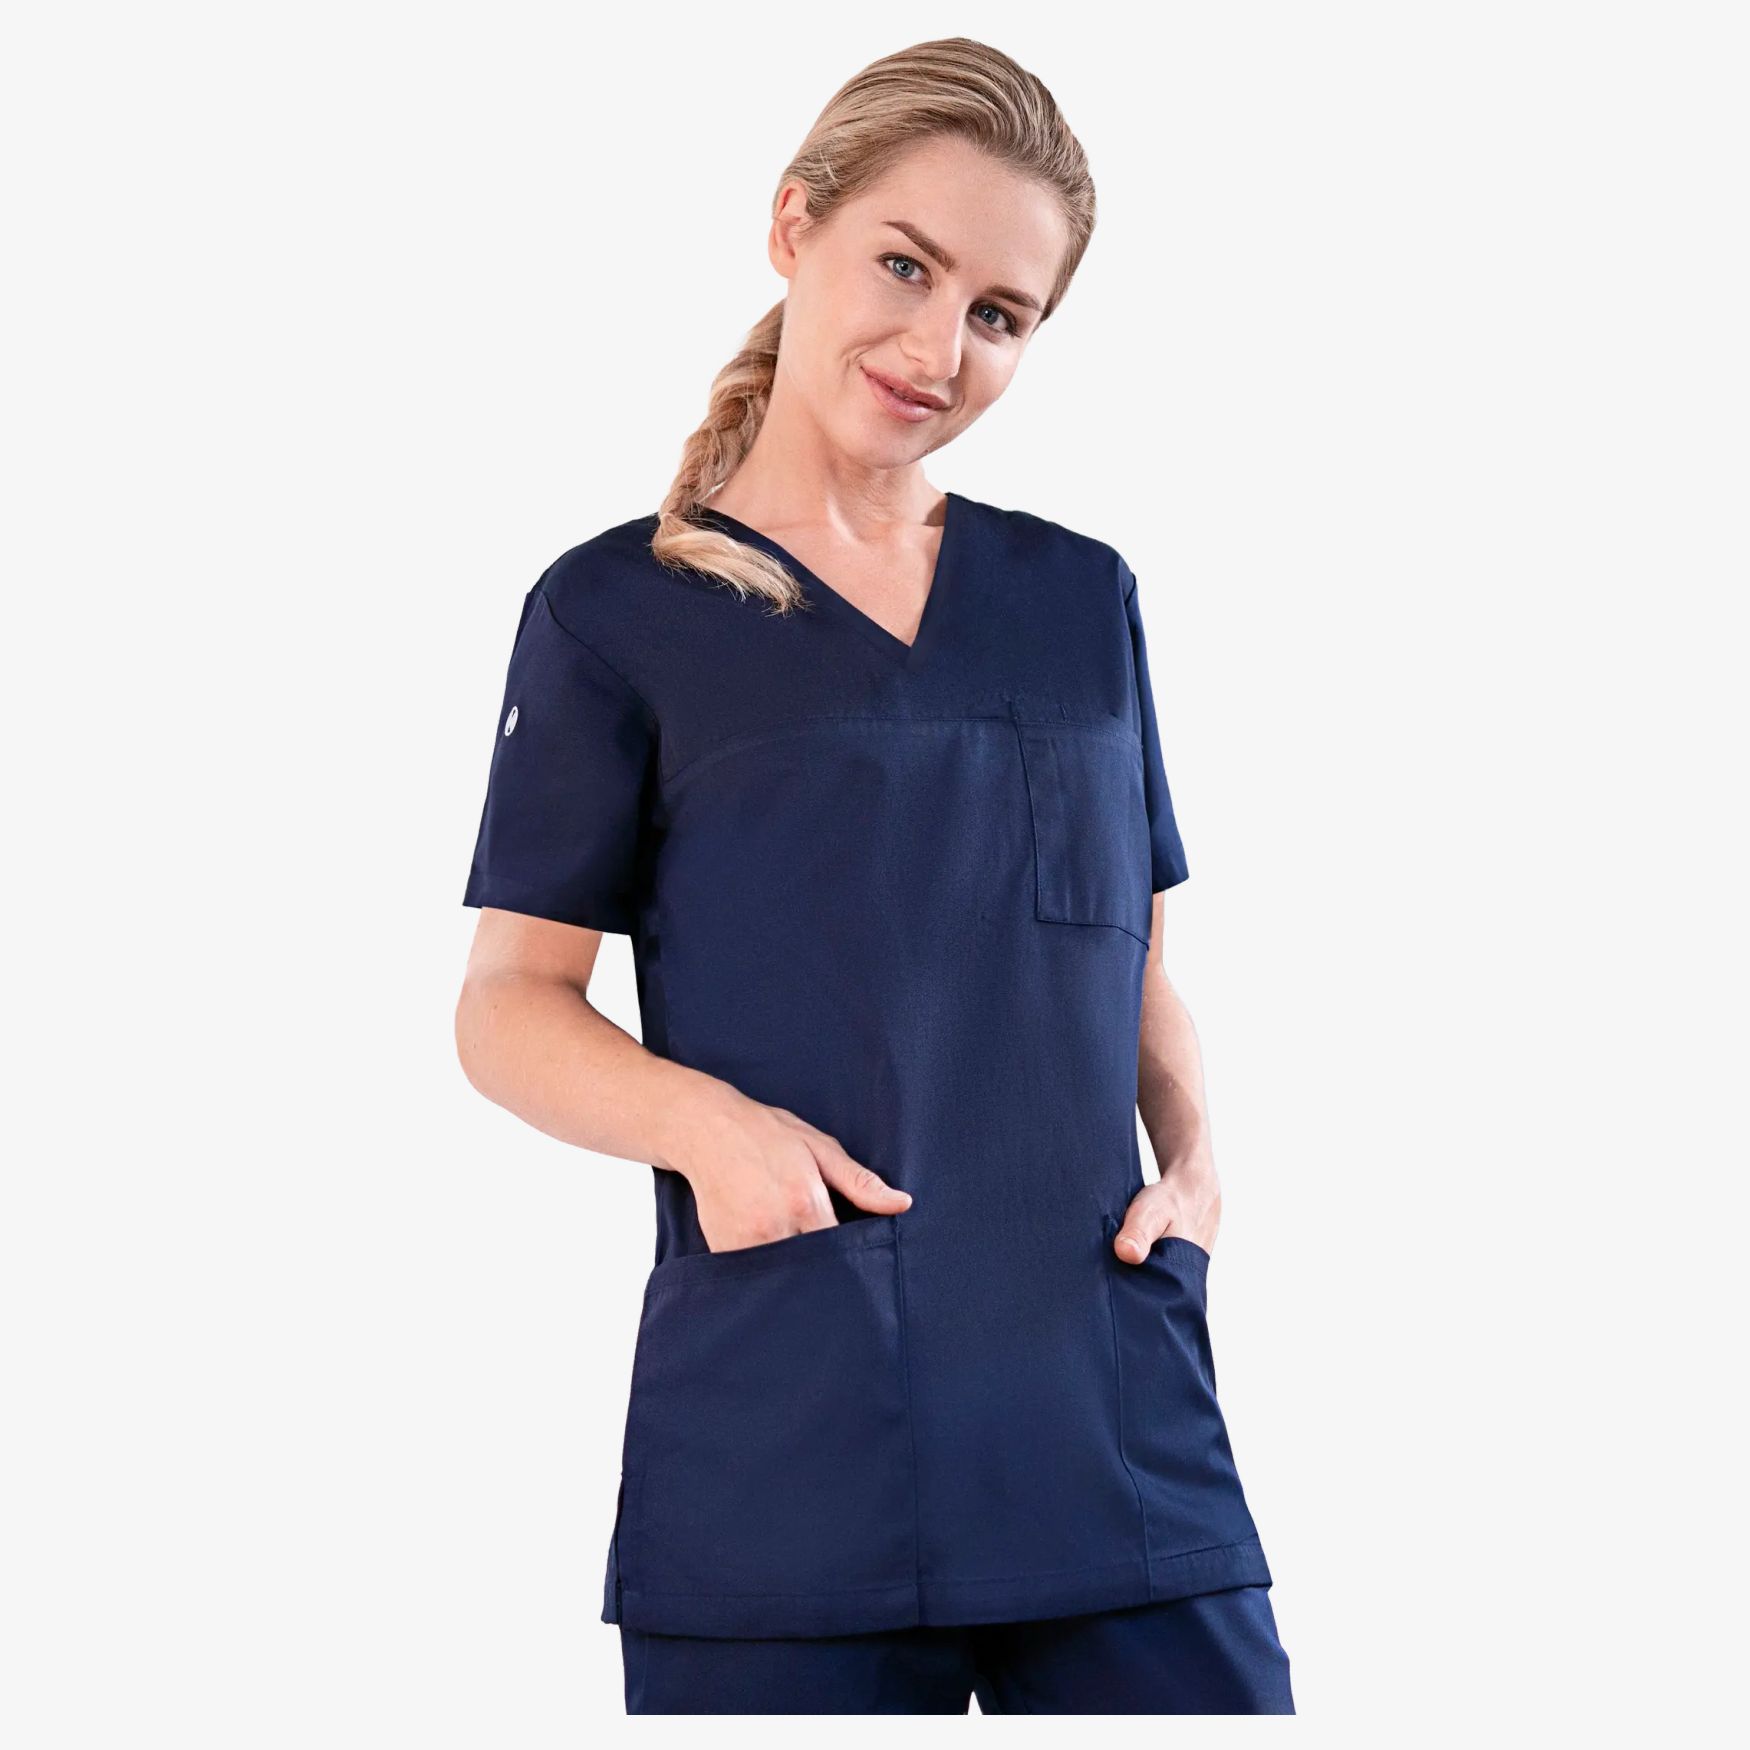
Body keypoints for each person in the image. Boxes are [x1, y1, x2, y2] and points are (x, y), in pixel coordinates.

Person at [455, 36, 1295, 1717]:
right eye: (904, 266)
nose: (937, 348)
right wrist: (710, 1130)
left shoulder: (1079, 599)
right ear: (794, 227)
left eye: (999, 313)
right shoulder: (616, 613)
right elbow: (507, 1005)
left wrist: (1199, 1158)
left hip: (1110, 1421)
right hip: (791, 1434)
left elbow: (1128, 958)